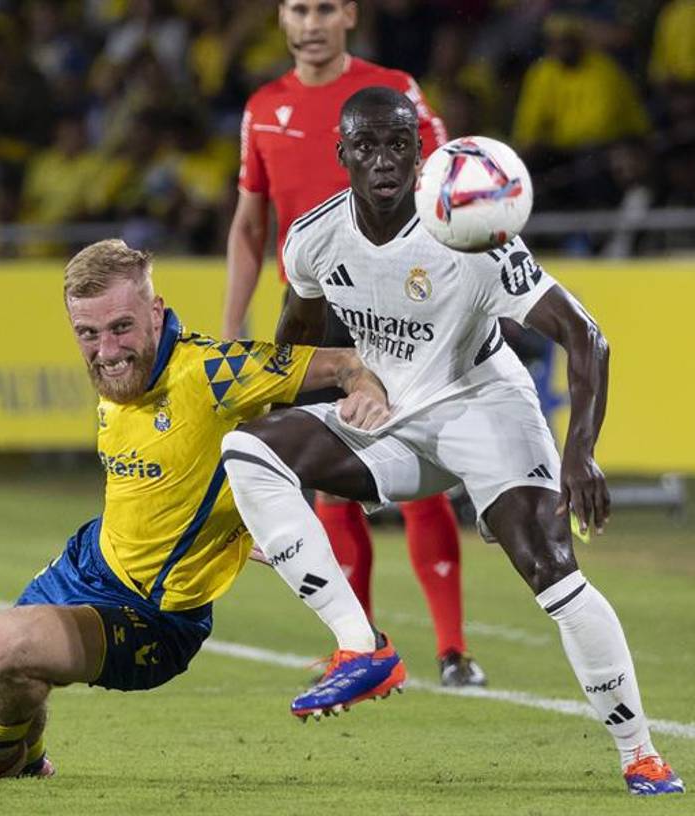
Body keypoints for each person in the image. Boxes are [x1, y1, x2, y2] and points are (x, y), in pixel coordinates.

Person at [219, 87, 685, 796]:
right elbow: (296, 340)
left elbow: (586, 337)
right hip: (390, 418)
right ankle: (362, 647)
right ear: (341, 154)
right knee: (248, 450)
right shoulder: (313, 238)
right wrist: (296, 429)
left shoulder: (470, 232)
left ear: (421, 152)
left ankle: (639, 751)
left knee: (552, 571)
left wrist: (579, 451)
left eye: (399, 145)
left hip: (482, 407)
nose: (383, 161)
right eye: (367, 146)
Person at [0, 238, 401, 787]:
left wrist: (366, 390)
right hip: (92, 560)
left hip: (155, 616)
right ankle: (26, 757)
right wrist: (234, 528)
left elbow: (345, 363)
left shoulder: (211, 373)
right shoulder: (118, 376)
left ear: (156, 312)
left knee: (5, 646)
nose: (106, 350)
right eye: (88, 334)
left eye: (121, 328)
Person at [223, 0, 484, 687]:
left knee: (419, 468)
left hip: (395, 303)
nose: (310, 23)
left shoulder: (390, 93)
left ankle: (454, 650)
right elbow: (251, 228)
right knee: (333, 482)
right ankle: (363, 647)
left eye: (324, 8)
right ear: (281, 18)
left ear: (349, 16)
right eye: (298, 9)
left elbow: (449, 186)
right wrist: (232, 322)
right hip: (313, 309)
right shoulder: (262, 107)